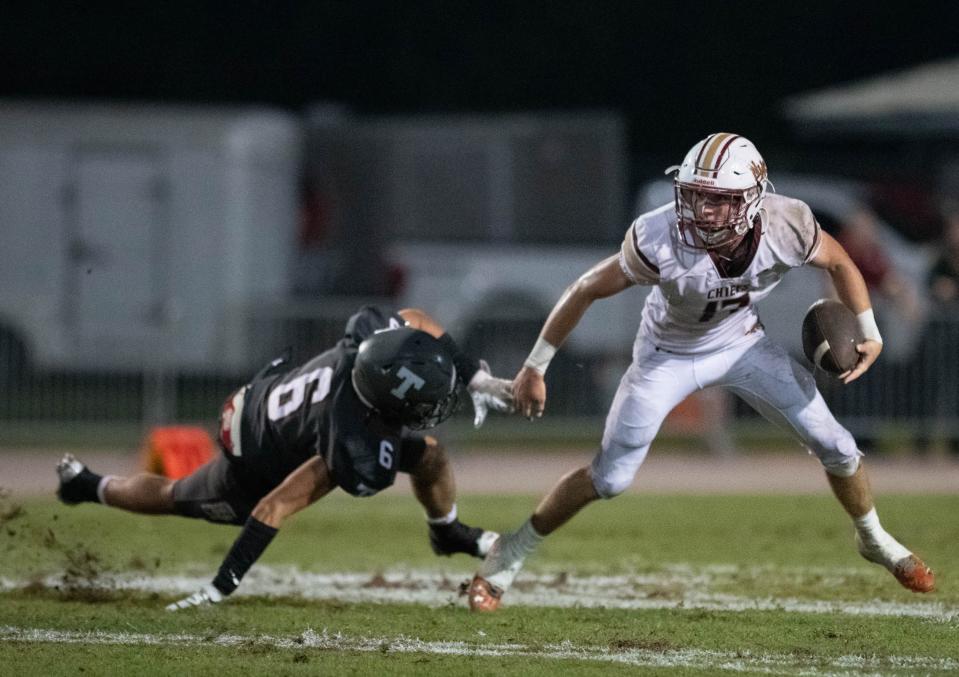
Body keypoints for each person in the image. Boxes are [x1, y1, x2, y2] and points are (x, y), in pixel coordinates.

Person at [466, 133, 935, 612]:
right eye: (695, 195)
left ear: (753, 200)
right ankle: (511, 550)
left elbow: (837, 259)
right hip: (664, 357)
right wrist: (534, 366)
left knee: (838, 446)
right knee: (609, 479)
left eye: (718, 200)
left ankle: (873, 538)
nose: (702, 210)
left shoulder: (786, 222)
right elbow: (586, 287)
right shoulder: (659, 235)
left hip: (742, 344)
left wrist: (868, 330)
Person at [56, 305, 513, 610]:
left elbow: (413, 317)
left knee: (430, 456)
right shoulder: (349, 439)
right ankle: (89, 486)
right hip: (251, 450)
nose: (428, 413)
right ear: (382, 402)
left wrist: (476, 379)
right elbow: (273, 506)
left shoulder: (370, 346)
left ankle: (448, 532)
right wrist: (223, 584)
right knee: (174, 495)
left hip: (267, 400)